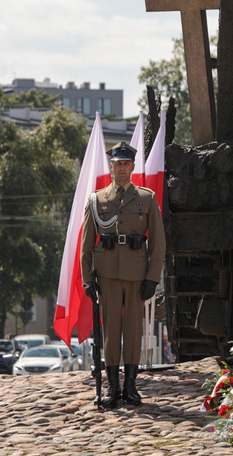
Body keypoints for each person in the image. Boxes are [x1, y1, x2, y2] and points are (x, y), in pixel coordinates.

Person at [80, 141, 166, 408]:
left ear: (132, 167)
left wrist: (152, 277)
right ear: (111, 166)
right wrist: (87, 279)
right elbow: (86, 244)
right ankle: (112, 387)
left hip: (137, 273)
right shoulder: (97, 199)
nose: (121, 168)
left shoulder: (147, 198)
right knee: (110, 331)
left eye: (126, 164)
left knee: (133, 331)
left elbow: (158, 243)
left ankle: (130, 386)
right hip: (107, 274)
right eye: (118, 164)